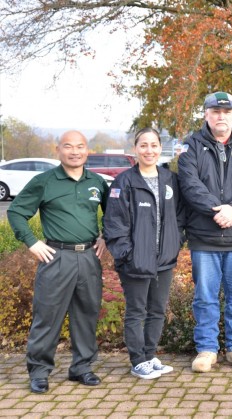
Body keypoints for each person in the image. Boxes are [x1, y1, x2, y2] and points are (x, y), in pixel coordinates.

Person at [8, 131, 109, 393]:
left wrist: (105, 237)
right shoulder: (44, 181)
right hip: (56, 257)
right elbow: (17, 212)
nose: (74, 151)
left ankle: (82, 367)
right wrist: (32, 242)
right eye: (68, 146)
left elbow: (114, 215)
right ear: (58, 150)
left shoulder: (97, 182)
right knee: (47, 315)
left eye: (80, 146)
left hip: (89, 258)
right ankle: (39, 372)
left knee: (86, 315)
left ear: (87, 150)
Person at [178, 91, 232, 372]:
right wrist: (218, 210)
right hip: (204, 237)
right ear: (206, 114)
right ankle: (206, 350)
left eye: (227, 112)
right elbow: (190, 185)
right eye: (216, 112)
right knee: (205, 297)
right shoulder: (191, 147)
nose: (221, 116)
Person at [103, 128, 185, 380]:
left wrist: (175, 243)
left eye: (154, 145)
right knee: (136, 311)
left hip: (164, 260)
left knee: (157, 310)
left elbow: (180, 216)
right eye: (143, 145)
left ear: (160, 148)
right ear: (136, 149)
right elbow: (113, 224)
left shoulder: (171, 180)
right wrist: (127, 254)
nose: (149, 150)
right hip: (136, 260)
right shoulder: (124, 182)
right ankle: (138, 360)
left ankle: (150, 356)